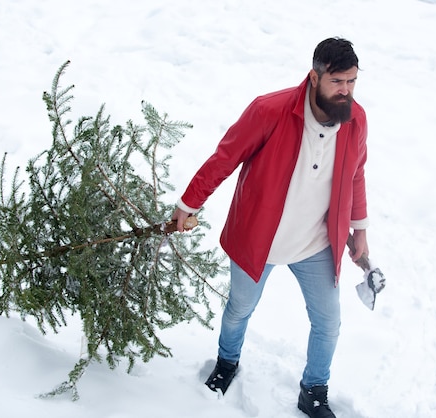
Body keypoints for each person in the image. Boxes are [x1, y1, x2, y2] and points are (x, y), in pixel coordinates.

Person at [172, 37, 369, 418]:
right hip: (260, 240)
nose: (346, 92)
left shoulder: (355, 120)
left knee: (329, 322)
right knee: (239, 310)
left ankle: (314, 390)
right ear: (314, 77)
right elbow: (225, 157)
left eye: (352, 82)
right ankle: (227, 361)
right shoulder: (270, 110)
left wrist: (358, 229)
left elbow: (356, 174)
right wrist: (189, 202)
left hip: (316, 244)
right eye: (337, 82)